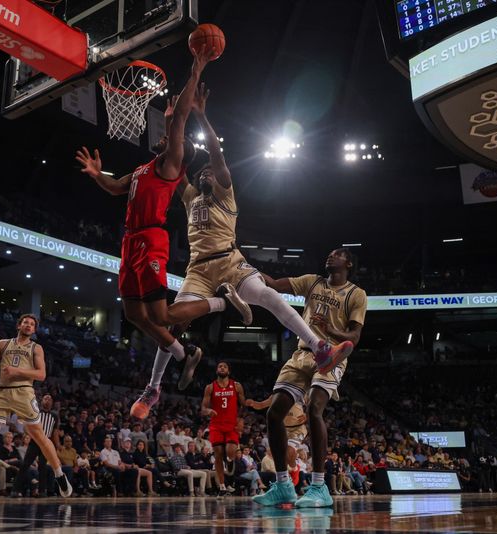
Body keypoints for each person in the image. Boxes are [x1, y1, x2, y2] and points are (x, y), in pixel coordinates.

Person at [75, 46, 252, 421]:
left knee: (163, 314)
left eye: (173, 138)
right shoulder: (142, 170)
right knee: (135, 315)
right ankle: (183, 353)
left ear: (178, 151)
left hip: (152, 239)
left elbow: (181, 119)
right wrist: (96, 176)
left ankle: (220, 301)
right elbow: (115, 187)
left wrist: (194, 71)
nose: (167, 138)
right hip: (130, 243)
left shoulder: (171, 167)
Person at [150, 82, 354, 395]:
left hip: (229, 261)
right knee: (171, 325)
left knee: (270, 296)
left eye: (209, 174)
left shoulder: (225, 195)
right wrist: (169, 122)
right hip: (199, 270)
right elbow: (174, 163)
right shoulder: (190, 198)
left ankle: (319, 348)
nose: (205, 175)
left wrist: (202, 117)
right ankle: (153, 388)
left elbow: (216, 156)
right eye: (201, 173)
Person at [253, 248, 367, 508]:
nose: (330, 255)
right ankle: (283, 485)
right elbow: (272, 283)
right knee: (274, 413)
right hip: (303, 353)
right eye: (329, 253)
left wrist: (330, 329)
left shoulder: (356, 294)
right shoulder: (312, 281)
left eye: (337, 254)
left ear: (348, 263)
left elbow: (355, 337)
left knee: (314, 407)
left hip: (332, 354)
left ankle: (319, 486)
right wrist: (242, 267)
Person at [0, 314, 71, 499]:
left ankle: (60, 475)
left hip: (24, 392)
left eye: (32, 324)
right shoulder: (3, 344)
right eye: (25, 322)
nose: (28, 325)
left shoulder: (36, 348)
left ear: (34, 330)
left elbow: (41, 374)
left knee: (40, 438)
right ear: (19, 325)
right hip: (1, 393)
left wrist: (16, 371)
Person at [200, 361, 247, 497]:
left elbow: (244, 405)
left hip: (232, 424)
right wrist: (207, 410)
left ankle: (231, 461)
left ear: (228, 371)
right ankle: (222, 486)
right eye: (219, 366)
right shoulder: (210, 387)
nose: (222, 367)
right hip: (216, 425)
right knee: (218, 454)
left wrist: (241, 420)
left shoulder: (237, 386)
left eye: (225, 366)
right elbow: (203, 409)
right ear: (216, 370)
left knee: (230, 451)